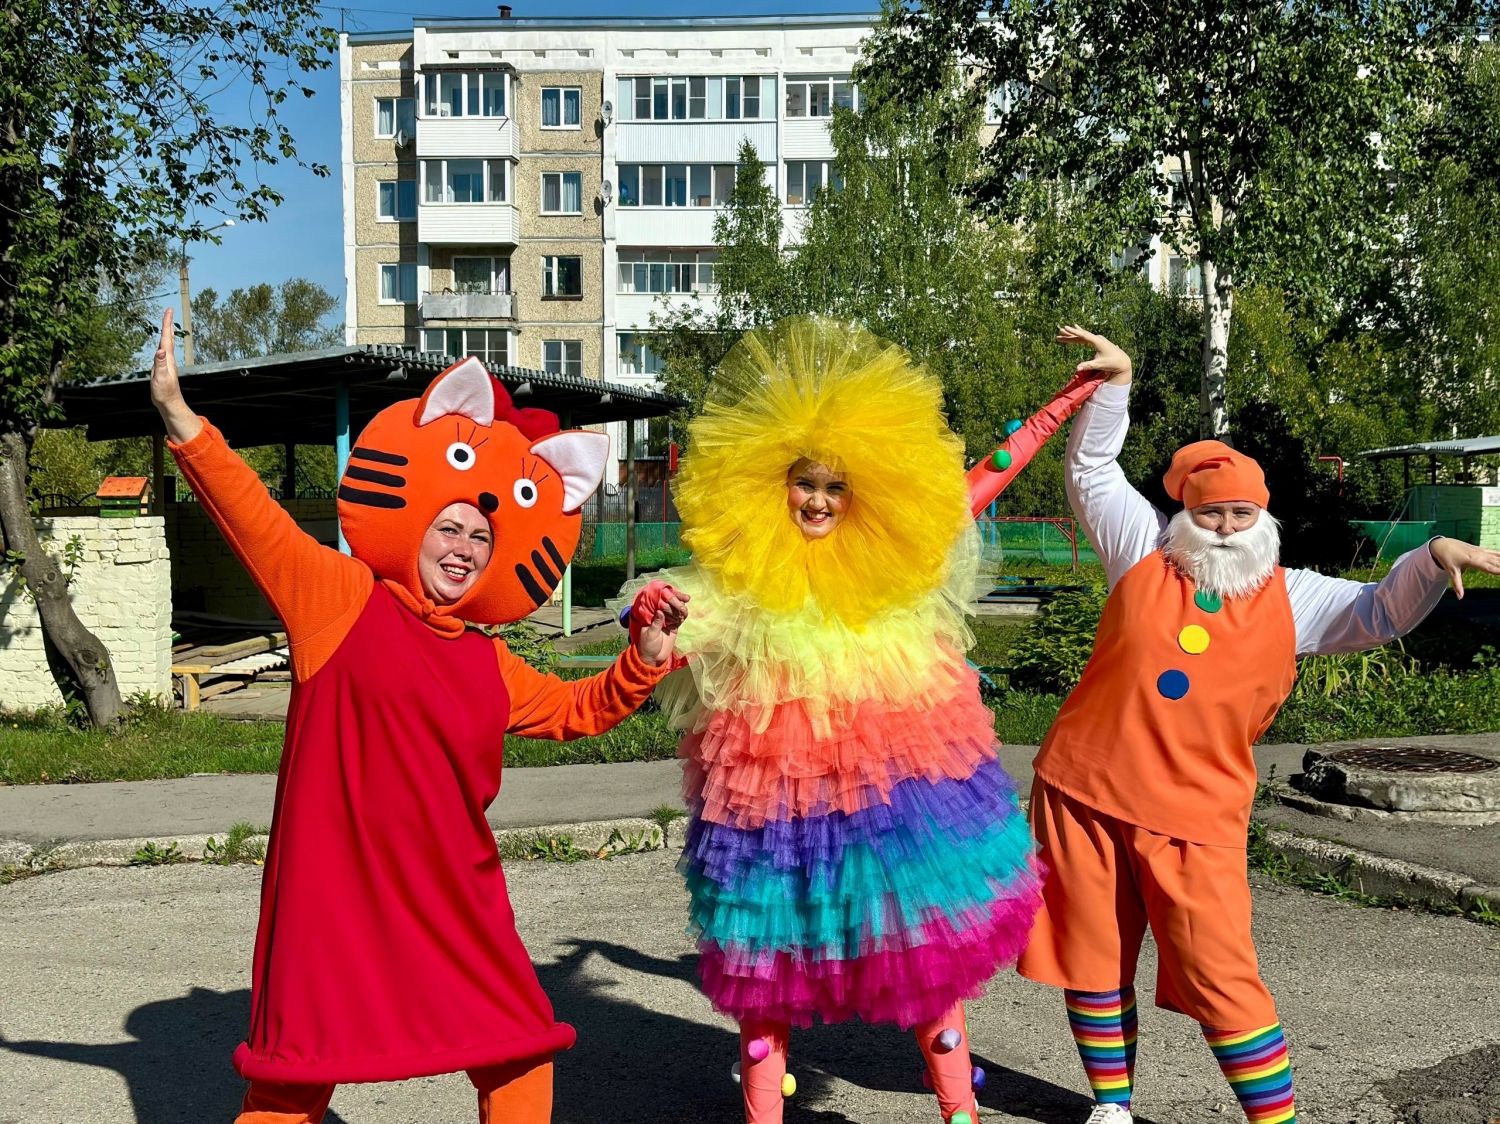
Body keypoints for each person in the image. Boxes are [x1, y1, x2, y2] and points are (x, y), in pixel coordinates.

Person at [148, 309, 686, 1124]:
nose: (464, 546)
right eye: (451, 526)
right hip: (333, 902)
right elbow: (254, 517)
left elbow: (577, 709)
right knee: (293, 1081)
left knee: (518, 1053)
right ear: (420, 520)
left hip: (452, 903)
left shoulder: (488, 661)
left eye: (482, 537)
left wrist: (643, 658)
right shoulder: (338, 603)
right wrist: (180, 419)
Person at [623, 317, 1103, 1124]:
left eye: (835, 487)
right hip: (770, 802)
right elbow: (671, 644)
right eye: (805, 483)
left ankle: (959, 1112)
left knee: (924, 952)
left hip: (891, 791)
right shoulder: (741, 574)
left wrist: (1072, 396)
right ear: (773, 484)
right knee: (765, 962)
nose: (817, 500)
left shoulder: (897, 558)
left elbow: (988, 474)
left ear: (862, 493)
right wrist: (648, 625)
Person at [1020, 326, 1500, 1124]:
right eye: (1210, 514)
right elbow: (1092, 472)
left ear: (1264, 519)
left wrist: (1430, 555)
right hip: (1085, 790)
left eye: (1241, 514)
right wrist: (1118, 383)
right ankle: (1111, 1107)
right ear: (1185, 515)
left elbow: (1378, 611)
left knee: (1222, 975)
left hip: (1196, 813)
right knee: (1094, 958)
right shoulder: (1141, 553)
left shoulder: (1291, 594)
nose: (1225, 527)